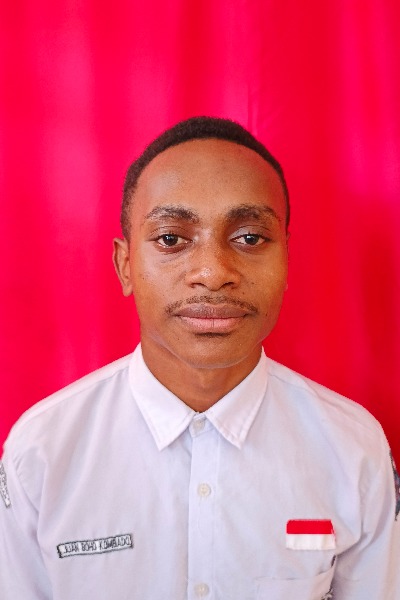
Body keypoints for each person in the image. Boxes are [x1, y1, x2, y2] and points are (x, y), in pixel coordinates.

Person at [0, 117, 398, 599]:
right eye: (171, 239)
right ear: (126, 266)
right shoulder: (41, 452)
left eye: (249, 238)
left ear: (287, 260)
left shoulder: (354, 450)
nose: (212, 272)